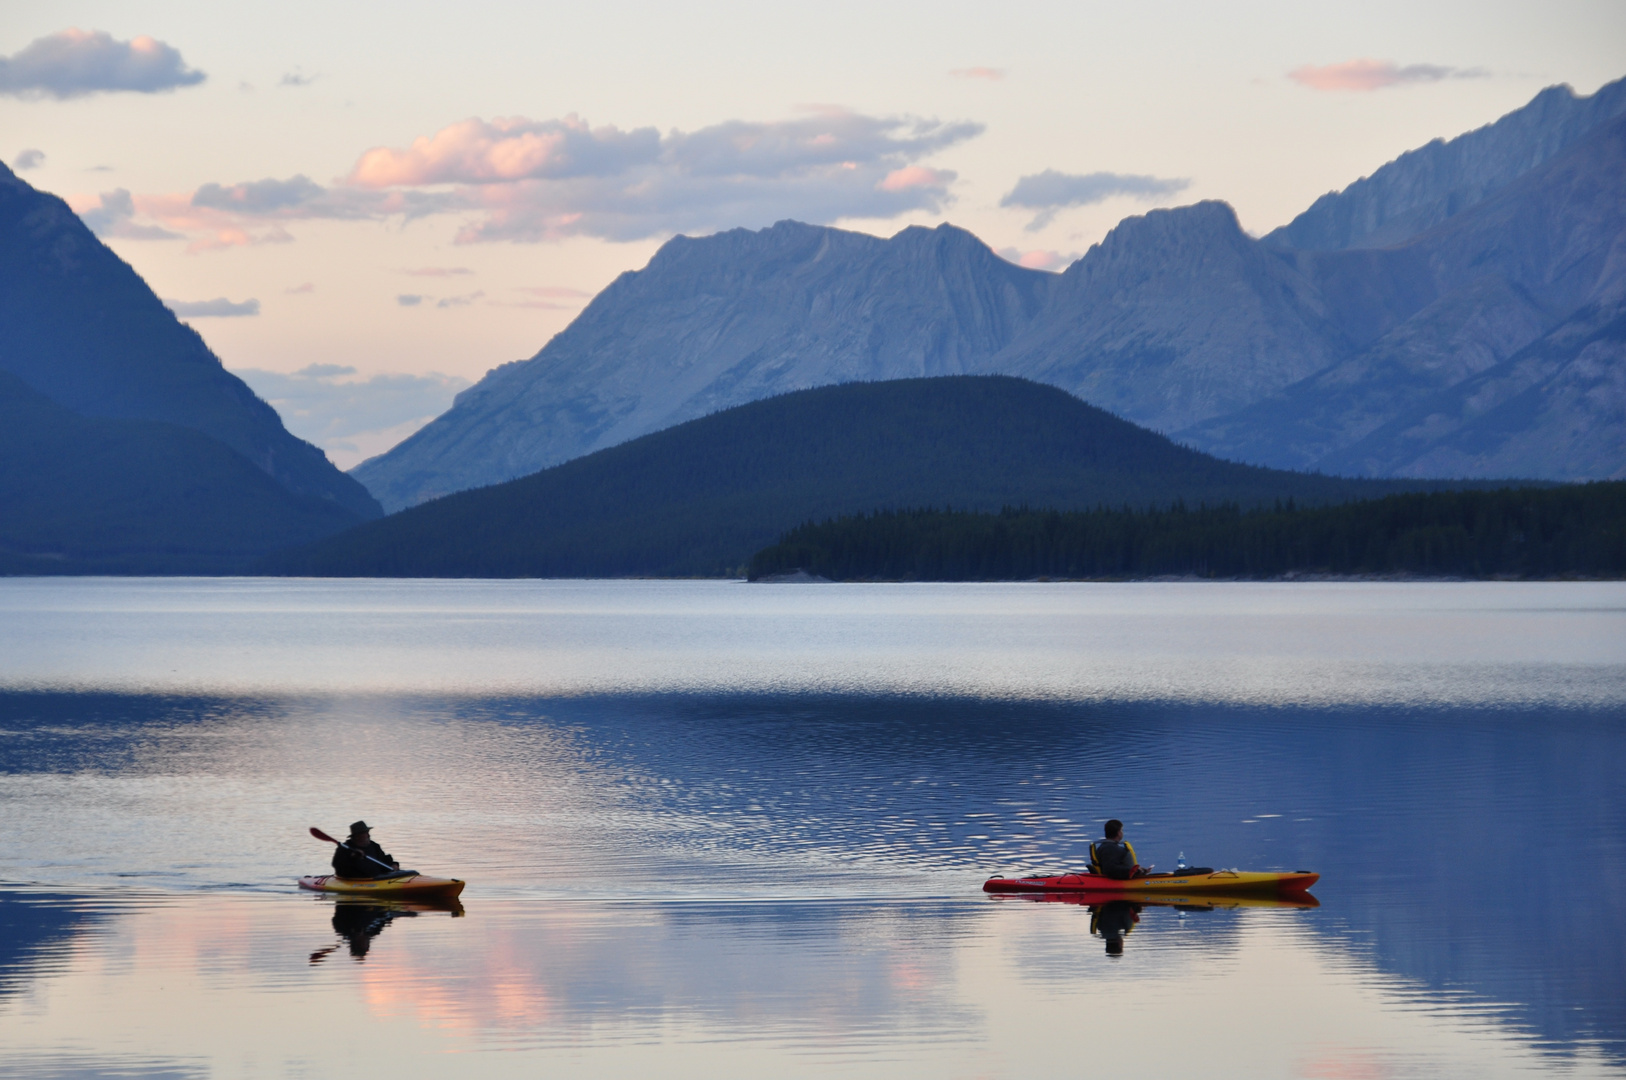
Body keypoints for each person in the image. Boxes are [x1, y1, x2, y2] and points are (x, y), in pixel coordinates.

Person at [331, 821, 399, 879]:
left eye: (368, 832)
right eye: (365, 833)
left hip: (377, 878)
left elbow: (383, 861)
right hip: (356, 880)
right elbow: (338, 867)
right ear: (357, 836)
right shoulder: (344, 848)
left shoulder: (374, 846)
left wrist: (393, 865)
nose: (369, 835)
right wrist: (353, 858)